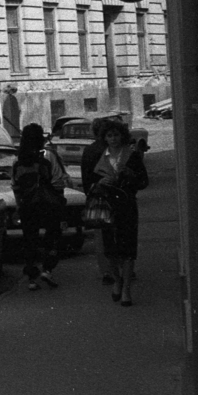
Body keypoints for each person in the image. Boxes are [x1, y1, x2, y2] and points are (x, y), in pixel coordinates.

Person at [93, 119, 148, 306]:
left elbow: (143, 182)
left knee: (128, 249)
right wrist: (99, 183)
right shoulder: (100, 157)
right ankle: (117, 281)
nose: (113, 139)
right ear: (104, 138)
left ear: (122, 136)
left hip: (127, 205)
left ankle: (126, 289)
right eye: (109, 135)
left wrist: (131, 175)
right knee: (110, 250)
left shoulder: (131, 156)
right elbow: (89, 183)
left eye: (116, 135)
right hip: (107, 207)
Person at [12, 123, 68, 290]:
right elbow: (58, 180)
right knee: (53, 237)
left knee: (30, 240)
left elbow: (15, 185)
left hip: (27, 205)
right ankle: (47, 269)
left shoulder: (18, 159)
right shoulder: (49, 155)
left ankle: (31, 279)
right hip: (49, 203)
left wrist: (19, 205)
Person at [79, 117, 118, 285]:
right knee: (117, 233)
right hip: (115, 195)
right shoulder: (112, 149)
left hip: (97, 196)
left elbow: (85, 177)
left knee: (101, 236)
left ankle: (106, 271)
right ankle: (119, 267)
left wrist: (90, 191)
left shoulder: (89, 150)